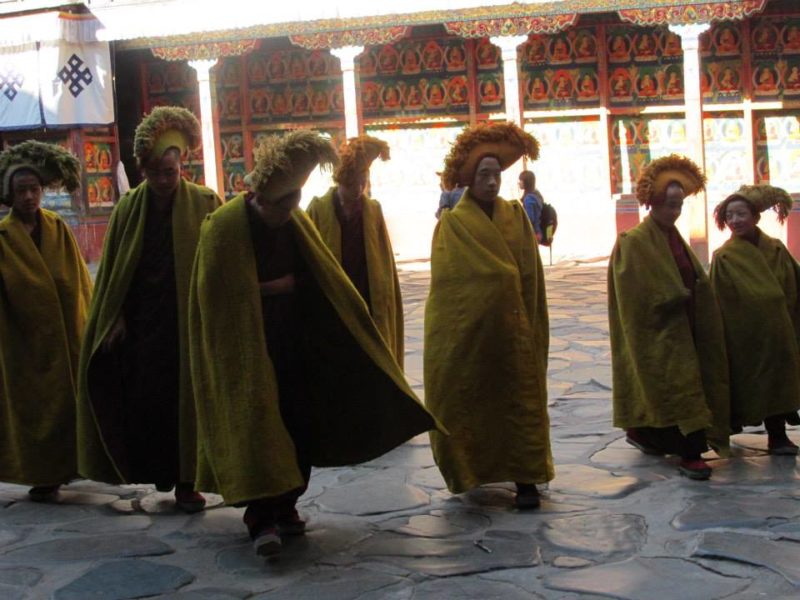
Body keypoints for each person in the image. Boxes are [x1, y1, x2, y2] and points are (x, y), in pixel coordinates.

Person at [188, 130, 441, 557]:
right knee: (258, 426)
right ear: (261, 196)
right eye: (283, 204)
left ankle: (287, 505)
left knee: (296, 425)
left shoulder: (294, 221)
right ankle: (260, 517)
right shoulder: (224, 226)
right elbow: (214, 293)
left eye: (294, 203)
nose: (290, 212)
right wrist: (272, 287)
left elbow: (319, 276)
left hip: (294, 344)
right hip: (246, 348)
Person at [77, 107, 222, 512]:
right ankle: (160, 472)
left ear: (182, 166)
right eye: (155, 173)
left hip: (187, 326)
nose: (162, 181)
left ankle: (187, 483)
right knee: (152, 404)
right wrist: (115, 317)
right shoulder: (128, 208)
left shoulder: (206, 202)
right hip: (143, 328)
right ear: (143, 171)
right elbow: (113, 273)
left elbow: (221, 263)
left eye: (170, 172)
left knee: (189, 403)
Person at [425, 122, 553, 509]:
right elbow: (449, 285)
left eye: (497, 175)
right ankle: (473, 470)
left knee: (519, 403)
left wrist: (526, 316)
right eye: (484, 175)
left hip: (514, 330)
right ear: (469, 179)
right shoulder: (453, 224)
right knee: (475, 403)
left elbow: (529, 272)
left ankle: (526, 478)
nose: (492, 182)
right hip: (473, 336)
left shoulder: (515, 215)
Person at [608, 154, 730, 480]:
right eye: (669, 204)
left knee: (686, 384)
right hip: (659, 330)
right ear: (654, 203)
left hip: (688, 323)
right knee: (678, 386)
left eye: (678, 205)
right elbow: (631, 292)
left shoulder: (674, 238)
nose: (674, 212)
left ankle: (646, 434)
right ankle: (691, 453)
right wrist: (668, 297)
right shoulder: (633, 242)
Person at [0, 141, 91, 502]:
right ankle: (42, 474)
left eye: (34, 190)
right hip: (23, 344)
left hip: (66, 336)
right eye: (21, 191)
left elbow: (80, 280)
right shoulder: (4, 238)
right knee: (35, 411)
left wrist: (90, 319)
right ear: (9, 195)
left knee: (70, 407)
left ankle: (71, 467)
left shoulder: (58, 229)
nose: (28, 197)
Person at [710, 185, 800, 454]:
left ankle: (778, 436)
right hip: (745, 334)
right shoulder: (724, 257)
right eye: (729, 216)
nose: (735, 221)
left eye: (741, 213)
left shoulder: (775, 248)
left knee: (780, 381)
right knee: (752, 383)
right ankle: (735, 426)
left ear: (755, 216)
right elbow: (719, 299)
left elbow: (795, 280)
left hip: (781, 330)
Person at [306, 135, 404, 365]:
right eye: (352, 183)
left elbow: (384, 261)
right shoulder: (318, 209)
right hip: (336, 299)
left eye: (363, 181)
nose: (359, 189)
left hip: (368, 294)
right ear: (340, 180)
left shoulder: (373, 210)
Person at [519, 170, 544, 242]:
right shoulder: (536, 195)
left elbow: (529, 218)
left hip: (532, 234)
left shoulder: (528, 199)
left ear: (526, 182)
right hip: (538, 232)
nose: (519, 182)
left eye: (521, 180)